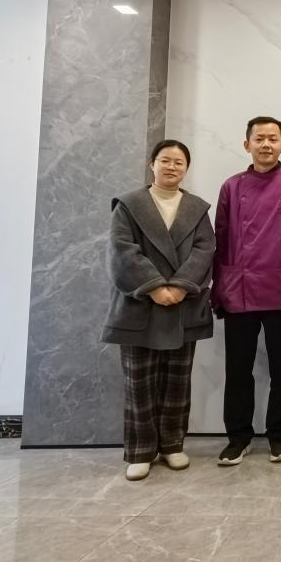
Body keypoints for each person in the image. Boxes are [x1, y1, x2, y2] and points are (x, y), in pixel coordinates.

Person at [104, 140, 215, 481]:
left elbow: (205, 250)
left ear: (186, 168)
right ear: (151, 164)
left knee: (177, 381)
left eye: (179, 162)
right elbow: (122, 250)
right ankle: (140, 451)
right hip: (139, 305)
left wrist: (180, 286)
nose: (171, 167)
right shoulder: (129, 205)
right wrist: (154, 287)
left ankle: (172, 445)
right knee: (139, 383)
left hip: (183, 305)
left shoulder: (197, 208)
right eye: (165, 160)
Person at [212, 116, 281, 466]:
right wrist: (218, 288)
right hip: (239, 290)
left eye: (273, 138)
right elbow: (221, 240)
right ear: (247, 144)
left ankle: (278, 434)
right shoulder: (231, 187)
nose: (266, 144)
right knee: (238, 370)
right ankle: (238, 437)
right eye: (259, 138)